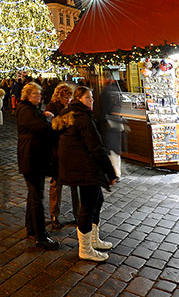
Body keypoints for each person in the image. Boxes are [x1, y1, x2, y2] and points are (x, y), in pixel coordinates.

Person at [53, 86, 118, 262]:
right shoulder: (82, 118)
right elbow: (96, 147)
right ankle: (85, 248)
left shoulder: (73, 114)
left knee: (97, 200)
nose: (92, 101)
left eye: (92, 97)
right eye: (88, 98)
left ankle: (93, 239)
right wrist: (110, 173)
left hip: (80, 166)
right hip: (84, 167)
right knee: (88, 206)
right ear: (79, 99)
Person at [16, 82, 59, 249]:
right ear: (27, 95)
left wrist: (43, 115)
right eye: (35, 94)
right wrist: (48, 120)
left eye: (39, 94)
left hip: (33, 157)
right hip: (32, 158)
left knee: (33, 195)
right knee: (37, 197)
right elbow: (41, 129)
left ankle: (31, 227)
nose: (39, 96)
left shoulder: (30, 109)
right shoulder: (26, 110)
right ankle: (40, 236)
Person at [46, 83, 79, 229]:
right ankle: (54, 214)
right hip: (57, 149)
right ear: (59, 97)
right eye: (66, 97)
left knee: (75, 183)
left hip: (71, 150)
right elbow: (51, 129)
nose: (68, 100)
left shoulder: (71, 107)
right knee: (56, 183)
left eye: (70, 97)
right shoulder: (52, 107)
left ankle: (78, 214)